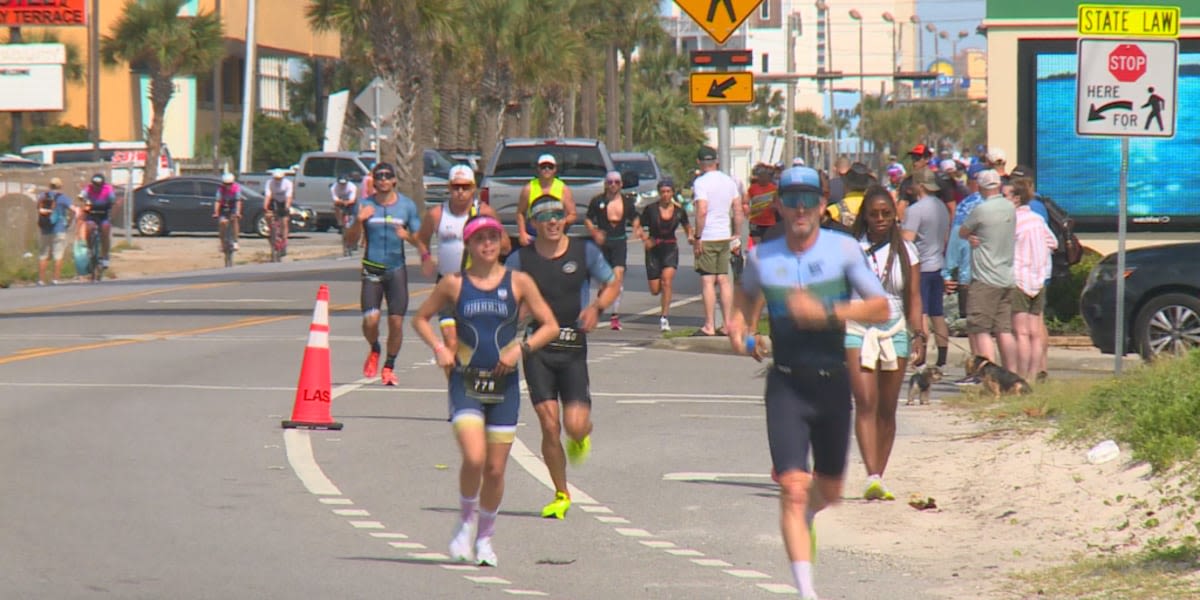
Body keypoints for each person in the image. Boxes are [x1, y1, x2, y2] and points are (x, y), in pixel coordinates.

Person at [726, 165, 889, 600]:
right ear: (778, 204)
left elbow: (880, 308)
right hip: (786, 386)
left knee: (829, 492)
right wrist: (740, 328)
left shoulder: (845, 251)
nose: (799, 208)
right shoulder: (764, 257)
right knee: (794, 487)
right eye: (790, 199)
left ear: (822, 204)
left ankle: (809, 517)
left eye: (807, 199)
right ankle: (806, 592)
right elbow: (745, 300)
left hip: (833, 383)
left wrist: (828, 313)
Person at [411, 215, 560, 567]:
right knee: (474, 458)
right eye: (480, 239)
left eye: (494, 238)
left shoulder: (519, 282)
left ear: (501, 244)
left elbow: (550, 325)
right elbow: (420, 318)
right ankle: (465, 523)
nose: (488, 244)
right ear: (469, 245)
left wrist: (521, 349)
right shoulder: (454, 284)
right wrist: (439, 348)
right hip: (465, 382)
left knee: (494, 470)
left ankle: (486, 538)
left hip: (505, 386)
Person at [505, 195, 619, 520]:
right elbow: (502, 293)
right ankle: (561, 493)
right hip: (538, 350)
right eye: (545, 217)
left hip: (572, 352)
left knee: (575, 426)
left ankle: (581, 436)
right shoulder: (520, 259)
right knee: (549, 424)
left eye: (558, 215)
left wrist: (596, 307)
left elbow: (611, 283)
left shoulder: (584, 252)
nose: (553, 221)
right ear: (534, 223)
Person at [846, 185, 924, 502]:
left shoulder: (908, 251)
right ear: (865, 216)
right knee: (865, 401)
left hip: (895, 329)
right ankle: (872, 476)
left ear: (894, 216)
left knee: (887, 408)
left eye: (885, 213)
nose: (879, 219)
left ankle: (880, 471)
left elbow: (915, 296)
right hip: (857, 327)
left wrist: (918, 333)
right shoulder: (852, 248)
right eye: (874, 214)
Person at [416, 164, 509, 358]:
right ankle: (455, 386)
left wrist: (488, 252)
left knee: (476, 341)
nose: (460, 192)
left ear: (473, 188)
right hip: (447, 285)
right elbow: (421, 239)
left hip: (477, 284)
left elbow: (506, 244)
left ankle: (475, 381)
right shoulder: (437, 214)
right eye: (456, 187)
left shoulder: (484, 212)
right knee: (450, 341)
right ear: (449, 188)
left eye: (465, 187)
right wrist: (425, 257)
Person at [345, 162, 422, 386]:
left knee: (396, 323)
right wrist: (359, 221)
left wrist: (407, 236)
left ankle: (389, 366)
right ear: (374, 181)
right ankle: (375, 347)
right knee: (371, 320)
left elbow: (421, 241)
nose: (384, 180)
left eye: (388, 176)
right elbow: (349, 241)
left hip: (396, 269)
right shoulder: (365, 205)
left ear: (394, 181)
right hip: (372, 268)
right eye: (379, 176)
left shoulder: (406, 207)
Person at [959, 169, 1018, 369]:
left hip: (985, 277)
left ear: (981, 187)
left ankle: (986, 373)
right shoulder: (1010, 207)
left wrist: (971, 237)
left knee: (979, 328)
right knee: (1004, 330)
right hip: (1007, 276)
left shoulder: (981, 210)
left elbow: (962, 231)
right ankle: (1011, 373)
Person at [691, 145, 744, 337]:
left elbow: (702, 210)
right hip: (724, 235)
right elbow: (738, 209)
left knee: (707, 280)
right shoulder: (729, 181)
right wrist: (737, 234)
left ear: (699, 163)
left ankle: (709, 325)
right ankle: (728, 324)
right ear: (716, 162)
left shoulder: (701, 183)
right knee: (723, 279)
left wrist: (698, 236)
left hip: (708, 236)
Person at [901, 169, 951, 370]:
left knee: (920, 313)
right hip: (938, 264)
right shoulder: (942, 207)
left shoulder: (916, 210)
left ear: (919, 186)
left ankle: (920, 356)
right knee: (937, 314)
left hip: (920, 267)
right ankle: (942, 359)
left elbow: (907, 239)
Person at [1008, 178, 1057, 381]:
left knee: (1021, 333)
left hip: (1019, 278)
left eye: (1006, 196)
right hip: (1039, 277)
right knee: (1035, 332)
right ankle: (1033, 374)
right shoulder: (1037, 220)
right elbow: (1052, 242)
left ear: (1016, 199)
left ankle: (1021, 376)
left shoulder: (1013, 222)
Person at [943, 164, 987, 384]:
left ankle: (979, 374)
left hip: (970, 276)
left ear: (973, 182)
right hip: (1002, 275)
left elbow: (957, 240)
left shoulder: (967, 205)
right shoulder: (1007, 205)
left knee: (976, 328)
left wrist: (947, 270)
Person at [584, 170, 639, 330]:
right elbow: (588, 219)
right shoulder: (597, 201)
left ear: (621, 184)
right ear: (605, 184)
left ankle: (615, 315)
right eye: (610, 182)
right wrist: (594, 232)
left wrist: (636, 228)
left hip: (619, 242)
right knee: (605, 283)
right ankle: (597, 309)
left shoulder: (627, 202)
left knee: (617, 278)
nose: (613, 185)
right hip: (603, 243)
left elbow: (635, 217)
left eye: (616, 182)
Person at [637, 178, 694, 332]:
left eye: (668, 192)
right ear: (659, 193)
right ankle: (663, 295)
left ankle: (664, 317)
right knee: (655, 289)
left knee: (667, 281)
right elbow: (639, 226)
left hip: (670, 247)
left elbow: (687, 226)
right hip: (653, 248)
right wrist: (645, 239)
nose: (665, 195)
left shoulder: (679, 210)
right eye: (662, 192)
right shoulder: (651, 209)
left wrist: (690, 236)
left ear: (673, 193)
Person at [515, 154, 577, 247]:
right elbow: (520, 213)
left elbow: (573, 214)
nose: (547, 169)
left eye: (550, 167)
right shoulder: (528, 188)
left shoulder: (563, 189)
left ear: (555, 169)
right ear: (538, 169)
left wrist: (561, 222)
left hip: (555, 232)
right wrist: (522, 233)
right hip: (533, 232)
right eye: (543, 167)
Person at [36, 177, 73, 285]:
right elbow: (73, 209)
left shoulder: (42, 196)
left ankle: (41, 280)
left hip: (45, 229)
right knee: (58, 254)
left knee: (43, 254)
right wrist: (69, 221)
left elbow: (38, 208)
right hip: (59, 229)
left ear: (50, 185)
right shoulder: (63, 198)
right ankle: (55, 279)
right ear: (60, 186)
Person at [80, 174, 119, 272]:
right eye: (95, 185)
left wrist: (112, 201)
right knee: (89, 228)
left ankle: (105, 256)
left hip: (103, 214)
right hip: (92, 214)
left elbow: (113, 199)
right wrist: (81, 197)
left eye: (99, 185)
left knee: (105, 231)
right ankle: (89, 248)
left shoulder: (107, 189)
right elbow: (82, 194)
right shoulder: (88, 188)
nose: (96, 187)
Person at [263, 169, 293, 256]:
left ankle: (284, 240)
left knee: (284, 221)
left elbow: (289, 196)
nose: (277, 180)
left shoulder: (287, 183)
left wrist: (287, 207)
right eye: (276, 178)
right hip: (274, 200)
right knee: (268, 216)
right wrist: (265, 206)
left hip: (283, 202)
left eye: (279, 178)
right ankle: (271, 231)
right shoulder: (269, 183)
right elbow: (268, 195)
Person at [745, 164, 778, 243]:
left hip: (769, 222)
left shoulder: (773, 188)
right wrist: (746, 209)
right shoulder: (752, 188)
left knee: (768, 244)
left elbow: (777, 202)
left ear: (768, 178)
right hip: (755, 222)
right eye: (761, 176)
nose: (763, 179)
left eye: (765, 176)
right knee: (757, 244)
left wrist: (774, 207)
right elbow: (746, 201)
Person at [212, 172, 243, 253]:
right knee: (222, 223)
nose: (228, 186)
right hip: (223, 206)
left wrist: (238, 212)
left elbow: (238, 201)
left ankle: (235, 241)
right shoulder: (220, 189)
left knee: (235, 220)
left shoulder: (236, 188)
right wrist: (216, 212)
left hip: (233, 206)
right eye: (226, 184)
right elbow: (217, 201)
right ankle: (222, 243)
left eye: (230, 184)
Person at [331, 175, 359, 255]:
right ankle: (340, 223)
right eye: (341, 184)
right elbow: (335, 199)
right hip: (340, 202)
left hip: (351, 203)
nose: (342, 185)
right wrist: (342, 202)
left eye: (344, 184)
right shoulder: (334, 187)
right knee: (335, 207)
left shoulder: (352, 187)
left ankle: (354, 238)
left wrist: (347, 202)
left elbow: (352, 200)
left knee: (356, 218)